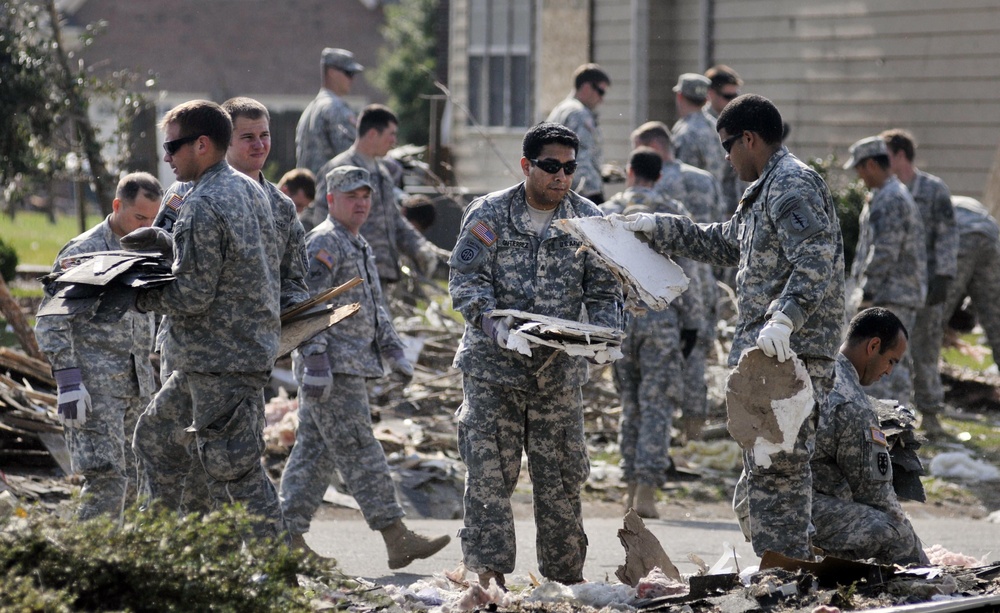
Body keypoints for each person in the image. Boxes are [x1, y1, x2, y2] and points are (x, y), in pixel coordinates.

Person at [621, 94, 845, 560]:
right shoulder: (764, 189)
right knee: (765, 473)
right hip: (768, 356)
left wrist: (786, 317)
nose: (725, 158)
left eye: (728, 146)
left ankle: (786, 576)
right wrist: (657, 228)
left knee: (779, 470)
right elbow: (725, 242)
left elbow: (815, 259)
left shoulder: (791, 185)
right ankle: (783, 568)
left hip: (791, 353)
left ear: (749, 138)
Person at [449, 122, 623, 587]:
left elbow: (605, 290)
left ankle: (565, 582)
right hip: (493, 371)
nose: (561, 177)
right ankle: (488, 580)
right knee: (489, 478)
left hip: (556, 377)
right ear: (527, 165)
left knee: (562, 482)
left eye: (569, 168)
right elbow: (466, 282)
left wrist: (606, 337)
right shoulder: (489, 214)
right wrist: (495, 324)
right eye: (550, 167)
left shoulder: (587, 220)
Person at [278, 165, 450, 568]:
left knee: (315, 453)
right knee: (359, 448)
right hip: (332, 368)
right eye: (351, 196)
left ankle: (285, 537)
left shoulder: (359, 244)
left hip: (352, 365)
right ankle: (396, 536)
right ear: (332, 200)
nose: (361, 203)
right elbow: (309, 306)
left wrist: (393, 351)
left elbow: (375, 307)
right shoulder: (324, 242)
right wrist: (317, 357)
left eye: (366, 196)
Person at [131, 100, 284, 538]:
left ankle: (280, 574)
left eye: (173, 146)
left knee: (235, 472)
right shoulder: (249, 189)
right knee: (156, 440)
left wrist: (134, 295)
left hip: (221, 361)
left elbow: (194, 294)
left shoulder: (203, 203)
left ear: (201, 144)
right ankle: (161, 550)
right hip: (215, 358)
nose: (167, 157)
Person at [35, 173, 161, 521]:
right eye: (139, 217)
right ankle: (90, 570)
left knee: (137, 480)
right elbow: (51, 319)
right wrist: (68, 380)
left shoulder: (148, 249)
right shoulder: (84, 252)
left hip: (136, 386)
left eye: (153, 218)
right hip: (94, 387)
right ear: (117, 206)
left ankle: (124, 568)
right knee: (106, 480)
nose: (146, 226)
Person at [605, 148, 702, 519]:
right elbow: (691, 271)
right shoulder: (673, 212)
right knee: (656, 406)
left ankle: (629, 488)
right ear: (660, 176)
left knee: (629, 405)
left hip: (619, 319)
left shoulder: (609, 210)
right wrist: (693, 323)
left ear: (629, 172)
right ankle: (646, 491)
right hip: (661, 320)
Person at [631, 120, 725, 441]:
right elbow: (724, 230)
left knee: (656, 373)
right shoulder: (706, 180)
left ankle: (660, 438)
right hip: (703, 278)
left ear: (653, 148)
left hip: (662, 286)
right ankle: (694, 434)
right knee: (696, 356)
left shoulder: (661, 187)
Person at [811, 307, 929, 565]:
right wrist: (919, 556)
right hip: (794, 511)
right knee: (896, 535)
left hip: (760, 499)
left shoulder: (816, 366)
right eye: (891, 361)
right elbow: (876, 496)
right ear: (873, 346)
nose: (888, 372)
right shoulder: (852, 404)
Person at [306, 104, 446, 285]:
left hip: (381, 274)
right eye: (391, 134)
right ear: (373, 134)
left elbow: (395, 219)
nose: (394, 141)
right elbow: (321, 221)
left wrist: (419, 248)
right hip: (349, 276)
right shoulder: (338, 169)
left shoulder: (383, 173)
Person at [880, 129, 958, 435]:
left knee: (926, 350)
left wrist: (944, 276)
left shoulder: (933, 189)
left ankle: (931, 413)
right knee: (893, 352)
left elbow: (948, 234)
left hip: (929, 286)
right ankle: (894, 415)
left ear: (900, 155)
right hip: (899, 288)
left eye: (885, 154)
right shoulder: (887, 191)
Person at [845, 136, 927, 406]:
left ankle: (893, 424)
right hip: (892, 293)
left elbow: (884, 253)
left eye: (859, 169)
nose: (859, 176)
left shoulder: (891, 199)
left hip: (892, 295)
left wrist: (866, 294)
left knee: (887, 363)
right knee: (887, 362)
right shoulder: (886, 195)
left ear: (870, 164)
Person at [944, 196, 1000, 370]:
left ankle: (926, 391)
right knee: (995, 320)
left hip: (961, 235)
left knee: (932, 321)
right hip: (991, 235)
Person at [545, 63, 611, 204]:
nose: (601, 99)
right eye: (601, 92)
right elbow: (580, 159)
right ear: (587, 87)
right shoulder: (579, 114)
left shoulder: (561, 109)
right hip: (579, 196)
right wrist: (593, 196)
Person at [295, 47, 363, 177]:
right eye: (349, 73)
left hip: (307, 191)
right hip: (330, 191)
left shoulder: (311, 108)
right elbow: (352, 155)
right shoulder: (335, 107)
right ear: (332, 72)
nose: (352, 79)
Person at [703, 65, 749, 217]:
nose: (733, 101)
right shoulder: (703, 128)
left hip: (737, 210)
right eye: (728, 97)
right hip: (715, 213)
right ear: (710, 94)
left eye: (736, 96)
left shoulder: (737, 123)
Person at [671, 73, 727, 193]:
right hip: (717, 199)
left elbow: (680, 173)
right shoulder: (716, 126)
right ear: (706, 99)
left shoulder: (684, 132)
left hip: (692, 199)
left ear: (679, 96)